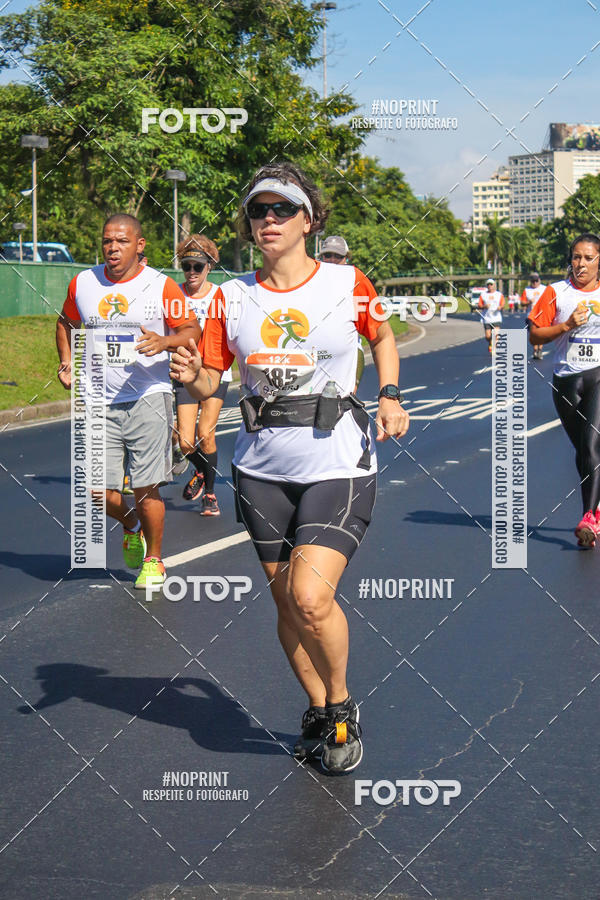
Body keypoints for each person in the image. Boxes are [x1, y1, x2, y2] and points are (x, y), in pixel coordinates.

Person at [170, 161, 409, 774]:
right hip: (262, 470)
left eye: (281, 210)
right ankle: (318, 705)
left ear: (308, 219)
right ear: (249, 225)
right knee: (286, 606)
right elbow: (212, 379)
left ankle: (344, 704)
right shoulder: (230, 296)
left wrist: (388, 393)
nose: (269, 220)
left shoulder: (345, 281)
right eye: (258, 211)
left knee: (309, 595)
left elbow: (380, 337)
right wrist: (189, 372)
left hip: (339, 460)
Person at [56, 214, 200, 587]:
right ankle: (131, 524)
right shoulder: (83, 283)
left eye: (121, 241)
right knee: (96, 491)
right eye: (107, 241)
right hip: (96, 397)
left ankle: (154, 560)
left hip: (148, 396)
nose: (113, 248)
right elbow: (66, 322)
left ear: (140, 245)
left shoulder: (160, 285)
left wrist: (165, 342)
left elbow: (190, 329)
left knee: (145, 486)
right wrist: (67, 360)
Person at [528, 233, 600, 547]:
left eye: (588, 258)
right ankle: (596, 512)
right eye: (576, 257)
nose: (580, 264)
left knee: (592, 444)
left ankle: (588, 518)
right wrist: (567, 325)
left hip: (598, 376)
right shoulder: (556, 292)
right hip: (566, 381)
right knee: (584, 452)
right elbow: (535, 336)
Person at [173, 234, 233, 516]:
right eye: (187, 266)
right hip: (184, 372)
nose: (192, 272)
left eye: (198, 266)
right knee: (185, 441)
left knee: (205, 435)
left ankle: (210, 494)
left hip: (215, 371)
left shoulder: (220, 295)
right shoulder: (173, 295)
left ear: (209, 266)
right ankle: (201, 469)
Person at [318, 235, 365, 392]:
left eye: (338, 256)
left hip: (345, 352)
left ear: (347, 258)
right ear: (321, 257)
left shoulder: (355, 281)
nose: (332, 260)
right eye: (328, 255)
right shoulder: (308, 280)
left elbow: (379, 337)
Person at [521, 272, 546, 359]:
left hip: (543, 315)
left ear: (539, 280)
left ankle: (540, 350)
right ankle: (535, 350)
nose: (535, 283)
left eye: (536, 281)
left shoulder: (544, 289)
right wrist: (529, 302)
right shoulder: (527, 290)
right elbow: (522, 303)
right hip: (531, 316)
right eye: (533, 281)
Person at [478, 277, 505, 353]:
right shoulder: (483, 295)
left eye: (491, 284)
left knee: (496, 334)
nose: (490, 286)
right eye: (488, 284)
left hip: (496, 317)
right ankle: (490, 343)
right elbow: (479, 305)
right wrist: (484, 306)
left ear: (494, 285)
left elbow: (502, 303)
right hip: (487, 318)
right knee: (488, 336)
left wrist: (500, 307)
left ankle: (494, 348)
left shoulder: (499, 294)